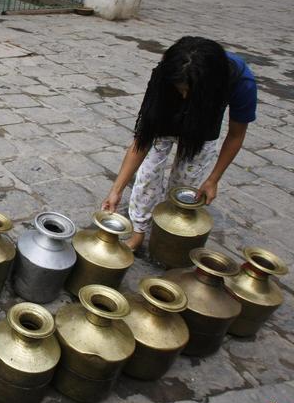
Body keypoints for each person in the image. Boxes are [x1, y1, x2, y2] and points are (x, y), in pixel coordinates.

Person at [102, 36, 257, 251]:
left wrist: (213, 179)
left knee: (185, 184)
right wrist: (116, 190)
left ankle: (167, 234)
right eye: (180, 88)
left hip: (204, 122)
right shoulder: (167, 73)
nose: (184, 95)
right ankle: (138, 234)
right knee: (148, 175)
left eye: (189, 91)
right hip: (167, 114)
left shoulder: (240, 81)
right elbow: (142, 140)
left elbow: (236, 135)